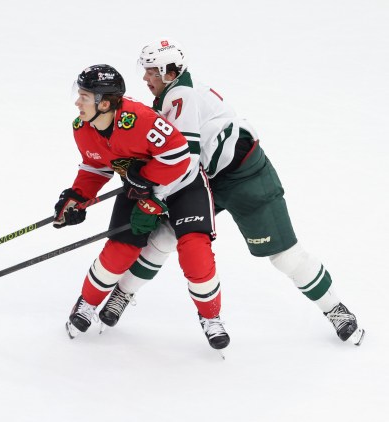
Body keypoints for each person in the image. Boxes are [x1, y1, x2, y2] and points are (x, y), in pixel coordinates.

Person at [98, 39, 365, 346]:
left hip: (245, 179)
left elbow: (185, 161)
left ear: (169, 72)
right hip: (204, 178)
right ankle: (123, 293)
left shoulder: (182, 95)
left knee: (284, 255)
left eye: (151, 73)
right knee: (165, 237)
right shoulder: (173, 94)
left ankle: (335, 309)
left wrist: (154, 198)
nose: (145, 79)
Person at [55, 64, 230, 350]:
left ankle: (211, 318)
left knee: (194, 251)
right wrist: (77, 196)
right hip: (140, 188)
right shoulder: (83, 128)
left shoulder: (139, 120)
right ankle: (87, 303)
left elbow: (179, 156)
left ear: (106, 103)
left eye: (84, 96)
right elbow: (96, 165)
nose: (77, 102)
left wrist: (152, 194)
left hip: (183, 184)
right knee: (120, 250)